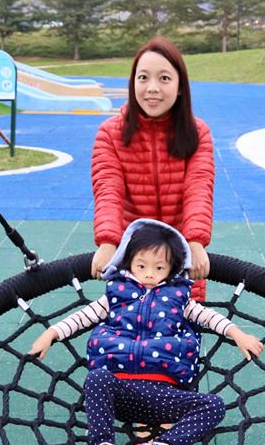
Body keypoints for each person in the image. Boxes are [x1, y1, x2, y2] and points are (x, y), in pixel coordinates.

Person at [30, 219, 264, 445]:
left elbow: (209, 318)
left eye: (159, 268)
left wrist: (238, 334)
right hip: (121, 392)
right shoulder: (114, 296)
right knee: (96, 378)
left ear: (172, 269)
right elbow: (82, 318)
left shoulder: (179, 298)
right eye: (141, 266)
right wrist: (50, 334)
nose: (149, 275)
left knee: (213, 405)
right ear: (128, 262)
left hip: (163, 395)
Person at [90, 37, 215, 302]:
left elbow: (199, 188)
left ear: (180, 86)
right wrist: (108, 241)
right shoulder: (111, 134)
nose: (152, 88)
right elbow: (108, 190)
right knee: (130, 333)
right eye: (143, 77)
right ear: (133, 82)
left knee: (182, 332)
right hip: (134, 260)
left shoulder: (197, 133)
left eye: (165, 79)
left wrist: (194, 241)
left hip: (180, 256)